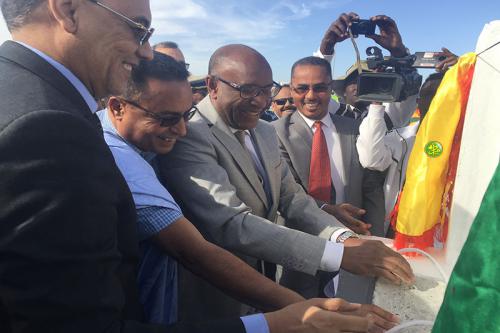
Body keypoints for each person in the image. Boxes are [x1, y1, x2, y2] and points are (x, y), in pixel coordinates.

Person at [100, 51, 399, 332]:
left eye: (265, 90)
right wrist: (337, 256)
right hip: (216, 296)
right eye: (247, 90)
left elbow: (292, 198)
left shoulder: (265, 131)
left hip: (264, 285)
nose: (259, 101)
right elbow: (230, 223)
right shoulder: (192, 134)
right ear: (213, 86)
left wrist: (344, 239)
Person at [356, 72, 447, 234]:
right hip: (397, 231)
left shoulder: (466, 145)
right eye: (428, 95)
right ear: (418, 102)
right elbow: (371, 160)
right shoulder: (400, 139)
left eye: (442, 95)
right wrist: (377, 103)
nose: (435, 102)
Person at [314, 13, 418, 130]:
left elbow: (411, 90)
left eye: (367, 81)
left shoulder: (390, 117)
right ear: (343, 90)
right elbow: (314, 85)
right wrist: (327, 45)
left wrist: (399, 52)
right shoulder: (331, 113)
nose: (359, 85)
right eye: (354, 81)